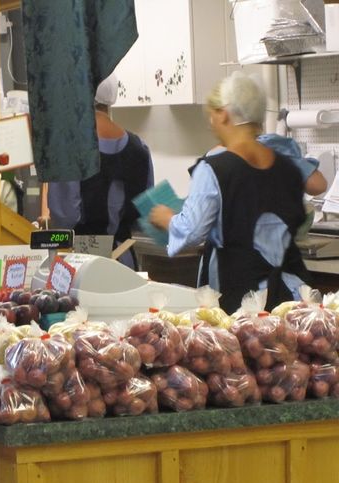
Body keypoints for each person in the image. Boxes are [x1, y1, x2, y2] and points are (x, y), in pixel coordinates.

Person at [149, 72, 310, 313]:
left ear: (223, 114)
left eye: (212, 116)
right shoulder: (289, 168)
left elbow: (192, 231)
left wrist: (167, 220)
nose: (211, 123)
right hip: (292, 296)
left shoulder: (214, 169)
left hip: (239, 299)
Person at [40, 74, 154, 268]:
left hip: (82, 261)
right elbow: (145, 214)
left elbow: (65, 217)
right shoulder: (140, 149)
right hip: (124, 261)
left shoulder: (69, 149)